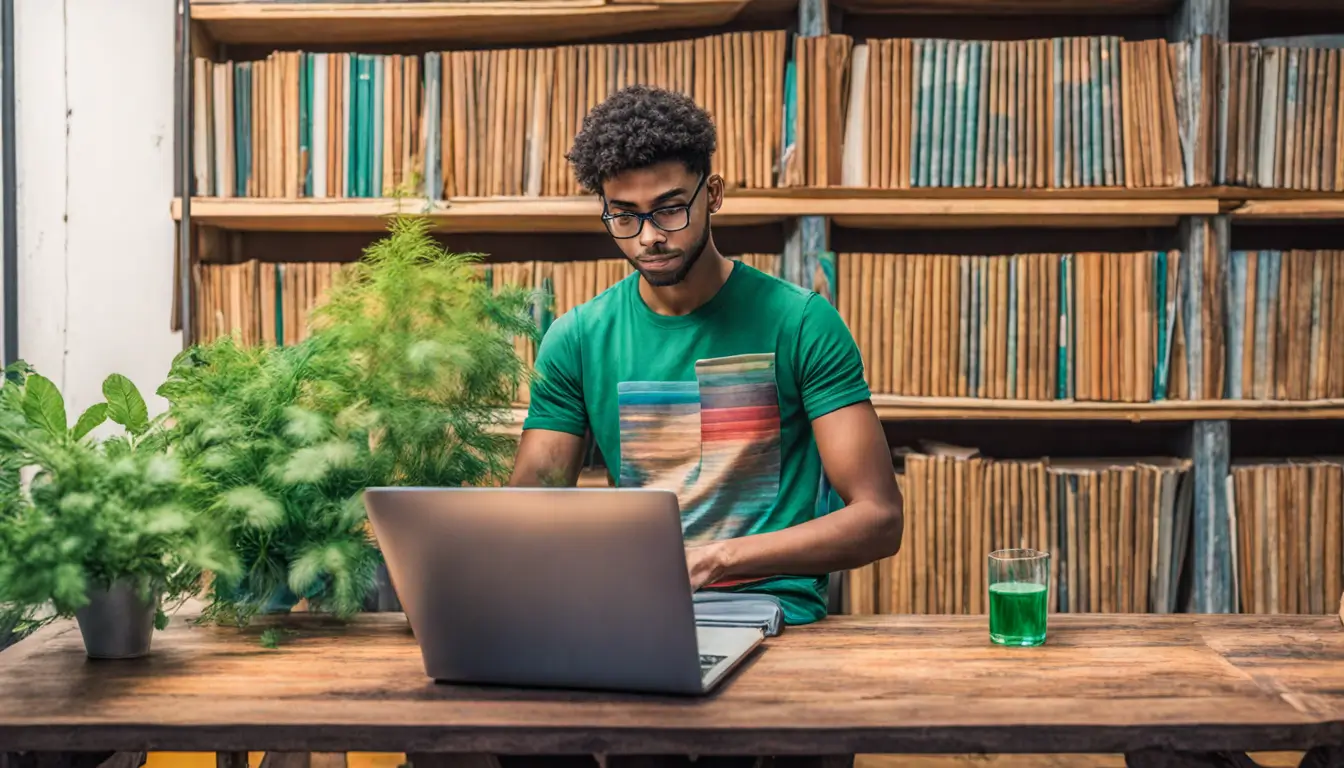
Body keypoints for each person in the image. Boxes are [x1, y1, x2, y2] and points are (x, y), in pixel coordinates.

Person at [508, 83, 903, 627]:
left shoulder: (802, 323)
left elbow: (879, 519)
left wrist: (717, 559)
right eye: (624, 216)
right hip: (638, 611)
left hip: (768, 611)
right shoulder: (576, 338)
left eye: (669, 209)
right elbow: (529, 513)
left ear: (712, 194)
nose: (648, 237)